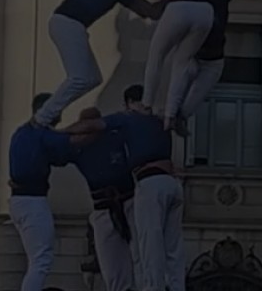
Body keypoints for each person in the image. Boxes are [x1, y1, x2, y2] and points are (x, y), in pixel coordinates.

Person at [34, 0, 163, 128]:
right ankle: (42, 118)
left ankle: (45, 116)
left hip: (71, 24)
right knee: (80, 77)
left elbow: (149, 11)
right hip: (68, 21)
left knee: (91, 78)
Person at [65, 85, 183, 291]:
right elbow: (180, 124)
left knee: (149, 243)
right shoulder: (160, 118)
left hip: (147, 185)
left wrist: (59, 131)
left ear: (129, 103)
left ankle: (153, 288)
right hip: (169, 183)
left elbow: (95, 125)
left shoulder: (126, 119)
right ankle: (175, 286)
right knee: (171, 245)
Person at [115, 0, 223, 127]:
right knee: (182, 60)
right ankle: (171, 115)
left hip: (179, 6)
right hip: (205, 11)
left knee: (157, 53)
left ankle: (147, 104)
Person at [10, 93, 78, 291]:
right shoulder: (39, 134)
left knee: (37, 260)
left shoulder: (20, 133)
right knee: (41, 261)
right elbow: (66, 145)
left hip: (21, 201)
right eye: (57, 110)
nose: (60, 116)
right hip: (33, 201)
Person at [165, 0, 237, 135]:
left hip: (212, 58)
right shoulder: (188, 1)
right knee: (179, 80)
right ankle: (171, 116)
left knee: (196, 94)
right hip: (193, 54)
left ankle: (179, 117)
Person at [69, 108, 137, 291]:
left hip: (128, 201)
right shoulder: (78, 148)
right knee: (112, 267)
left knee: (139, 256)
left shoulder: (115, 137)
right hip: (104, 207)